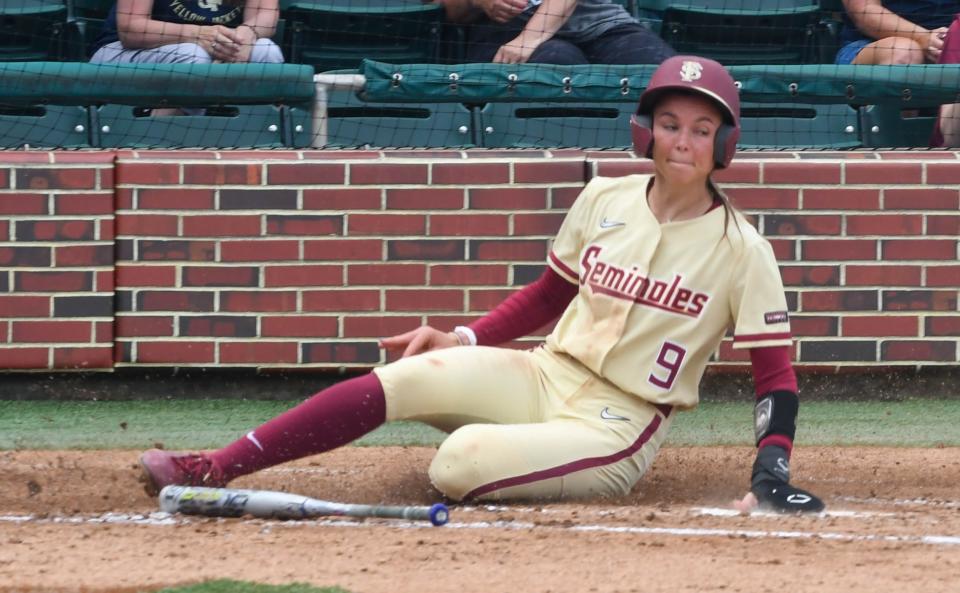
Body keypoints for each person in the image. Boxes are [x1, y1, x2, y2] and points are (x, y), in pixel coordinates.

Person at [139, 55, 821, 513]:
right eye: (671, 123)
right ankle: (214, 467)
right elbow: (546, 298)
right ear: (647, 130)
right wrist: (461, 337)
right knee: (407, 375)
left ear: (723, 145)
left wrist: (772, 473)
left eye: (702, 129)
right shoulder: (604, 197)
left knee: (457, 462)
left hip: (619, 422)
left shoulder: (742, 249)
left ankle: (514, 449)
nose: (683, 141)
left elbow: (775, 376)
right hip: (544, 372)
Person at [836, 0, 960, 146]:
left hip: (952, 41)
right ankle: (899, 153)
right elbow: (865, 12)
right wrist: (923, 37)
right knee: (904, 53)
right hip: (872, 45)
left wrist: (952, 39)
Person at [434, 0, 675, 65]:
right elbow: (446, 10)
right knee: (558, 62)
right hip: (504, 30)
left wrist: (530, 38)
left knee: (661, 68)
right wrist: (478, 1)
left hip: (599, 23)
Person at [90, 0, 284, 66]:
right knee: (192, 57)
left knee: (266, 51)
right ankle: (160, 142)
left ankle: (260, 147)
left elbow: (266, 14)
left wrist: (245, 34)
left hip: (214, 49)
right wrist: (196, 34)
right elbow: (130, 29)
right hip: (120, 53)